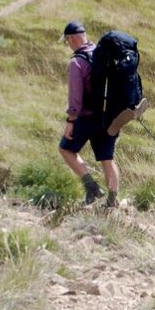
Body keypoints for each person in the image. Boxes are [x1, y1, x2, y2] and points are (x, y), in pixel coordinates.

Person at [58, 20, 119, 207]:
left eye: (67, 40)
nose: (67, 44)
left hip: (87, 117)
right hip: (109, 116)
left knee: (66, 149)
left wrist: (71, 120)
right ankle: (112, 201)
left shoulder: (77, 61)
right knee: (107, 158)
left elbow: (76, 97)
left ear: (72, 38)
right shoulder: (103, 54)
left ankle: (92, 188)